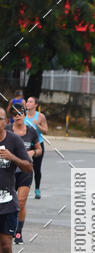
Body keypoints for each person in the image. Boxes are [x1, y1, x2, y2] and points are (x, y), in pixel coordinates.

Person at [0, 106, 33, 253]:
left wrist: (12, 157)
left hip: (6, 202)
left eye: (0, 118)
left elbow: (28, 168)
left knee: (5, 245)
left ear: (5, 121)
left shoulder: (14, 140)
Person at [11, 104, 42, 244]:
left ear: (24, 114)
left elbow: (39, 149)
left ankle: (18, 232)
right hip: (7, 172)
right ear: (12, 117)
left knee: (21, 203)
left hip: (25, 171)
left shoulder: (31, 132)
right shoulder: (6, 131)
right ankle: (7, 228)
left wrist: (32, 152)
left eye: (20, 113)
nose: (17, 116)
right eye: (14, 113)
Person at [25, 97, 48, 199]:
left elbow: (46, 131)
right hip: (26, 145)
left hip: (38, 144)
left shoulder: (40, 116)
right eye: (27, 101)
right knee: (24, 167)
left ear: (35, 105)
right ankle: (23, 187)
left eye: (30, 102)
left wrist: (38, 125)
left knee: (37, 168)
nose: (28, 103)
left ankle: (37, 189)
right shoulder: (22, 115)